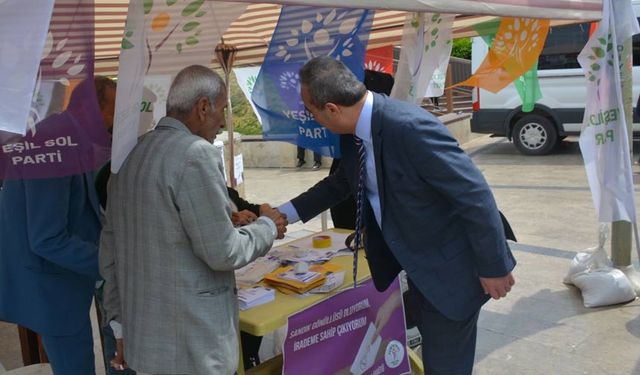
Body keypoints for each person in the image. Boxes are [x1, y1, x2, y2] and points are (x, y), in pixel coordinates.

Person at [278, 57, 516, 374]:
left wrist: (494, 266)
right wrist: (283, 214)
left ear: (332, 109)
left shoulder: (408, 127)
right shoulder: (354, 132)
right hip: (417, 262)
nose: (311, 117)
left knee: (446, 365)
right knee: (434, 355)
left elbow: (474, 195)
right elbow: (340, 184)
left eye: (311, 110)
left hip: (453, 269)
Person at [99, 65, 287, 374]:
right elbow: (224, 252)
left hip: (145, 342)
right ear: (202, 107)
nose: (222, 122)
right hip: (192, 347)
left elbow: (110, 254)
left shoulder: (130, 157)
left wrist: (119, 328)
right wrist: (267, 225)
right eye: (222, 111)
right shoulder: (195, 154)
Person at [0, 77, 116, 374]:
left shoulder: (63, 136)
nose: (114, 125)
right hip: (52, 286)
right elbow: (48, 238)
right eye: (112, 114)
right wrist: (109, 262)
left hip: (57, 280)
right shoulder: (55, 145)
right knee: (76, 366)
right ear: (91, 109)